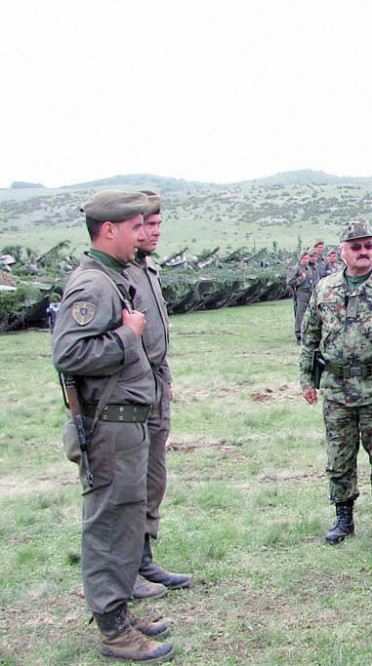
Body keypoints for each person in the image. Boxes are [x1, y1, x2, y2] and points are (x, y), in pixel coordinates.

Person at [52, 190, 174, 662]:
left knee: (126, 518)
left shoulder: (114, 276)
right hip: (108, 426)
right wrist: (128, 335)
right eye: (133, 227)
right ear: (109, 229)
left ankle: (121, 613)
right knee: (108, 526)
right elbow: (69, 355)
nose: (141, 235)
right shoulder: (93, 284)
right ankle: (113, 630)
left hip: (128, 422)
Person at [299, 221, 372, 544]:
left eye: (368, 246)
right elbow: (309, 337)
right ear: (342, 252)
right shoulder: (324, 289)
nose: (364, 252)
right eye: (356, 246)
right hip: (336, 390)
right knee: (339, 456)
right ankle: (343, 515)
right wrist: (307, 379)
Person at [127, 191, 192, 596]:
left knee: (153, 475)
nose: (154, 233)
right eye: (147, 225)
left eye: (157, 225)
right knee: (128, 480)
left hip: (154, 381)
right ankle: (126, 568)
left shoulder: (146, 268)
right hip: (129, 387)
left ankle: (143, 558)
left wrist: (163, 379)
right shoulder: (119, 273)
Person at [287, 249, 320, 344]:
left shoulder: (309, 268)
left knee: (310, 315)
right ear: (300, 259)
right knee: (300, 315)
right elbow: (290, 281)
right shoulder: (296, 268)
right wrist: (301, 279)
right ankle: (299, 336)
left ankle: (308, 334)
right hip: (301, 294)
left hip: (310, 293)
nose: (306, 260)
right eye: (304, 258)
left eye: (307, 258)